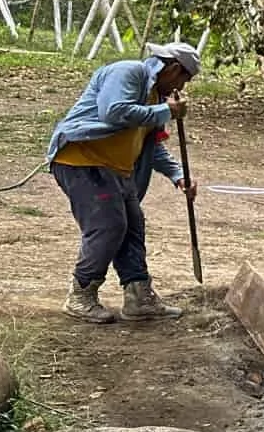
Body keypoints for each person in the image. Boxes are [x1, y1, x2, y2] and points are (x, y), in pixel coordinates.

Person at [47, 42, 201, 323]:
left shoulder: (157, 96)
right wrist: (166, 112)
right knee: (109, 225)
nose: (181, 87)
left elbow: (149, 144)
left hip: (117, 169)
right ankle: (81, 294)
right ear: (174, 68)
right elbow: (114, 111)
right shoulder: (129, 72)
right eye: (184, 79)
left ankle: (138, 297)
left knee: (132, 225)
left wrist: (178, 175)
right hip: (82, 159)